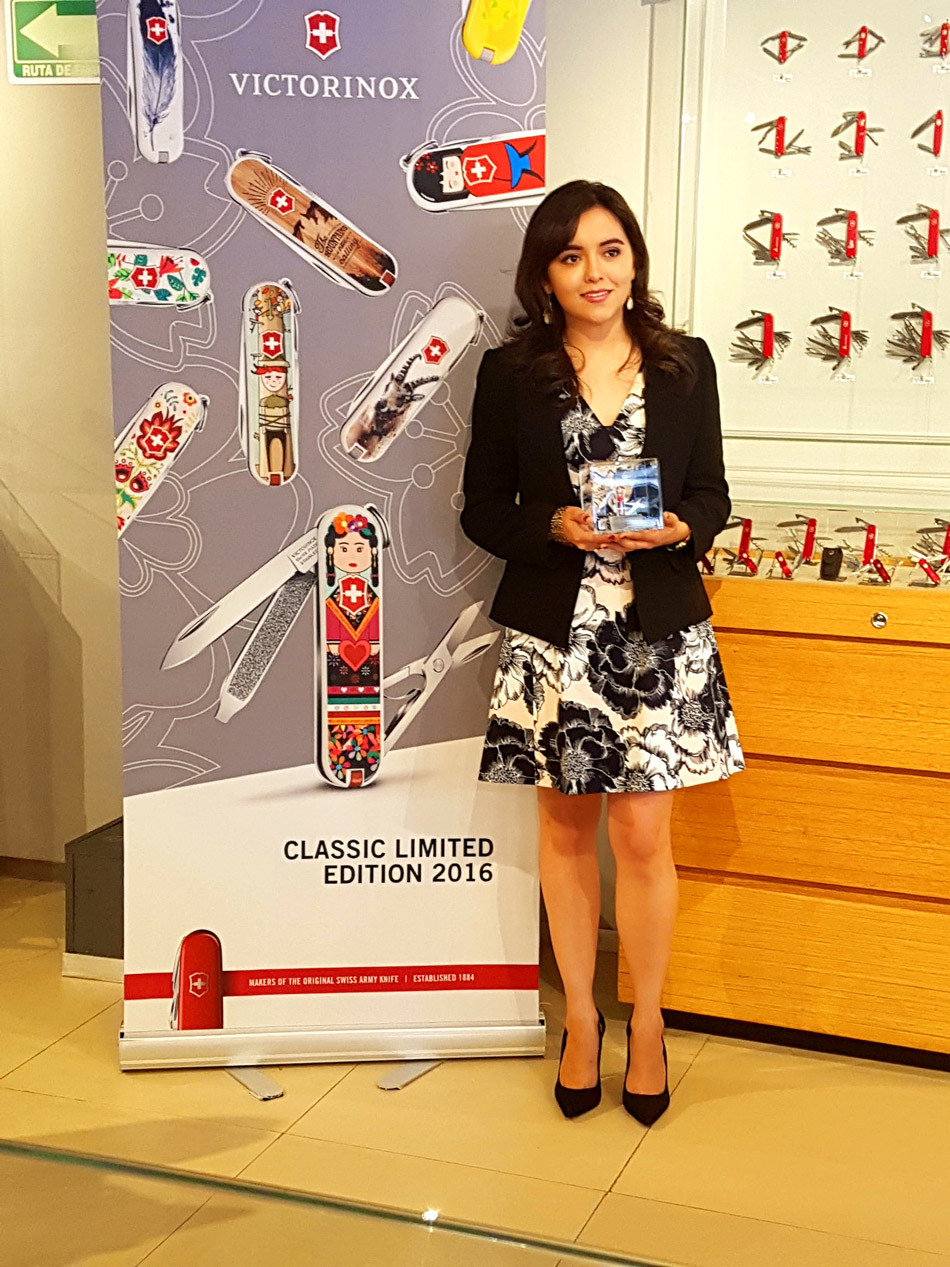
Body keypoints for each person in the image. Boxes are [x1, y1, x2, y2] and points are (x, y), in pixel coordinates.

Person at [461, 180, 744, 1126]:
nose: (595, 271)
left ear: (634, 261)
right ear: (545, 274)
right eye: (571, 254)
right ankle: (580, 1018)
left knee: (645, 837)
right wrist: (556, 524)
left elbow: (714, 494)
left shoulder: (686, 365)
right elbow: (482, 509)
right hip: (556, 635)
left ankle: (648, 1022)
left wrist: (677, 528)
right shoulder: (511, 373)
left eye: (611, 250)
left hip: (658, 634)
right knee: (566, 831)